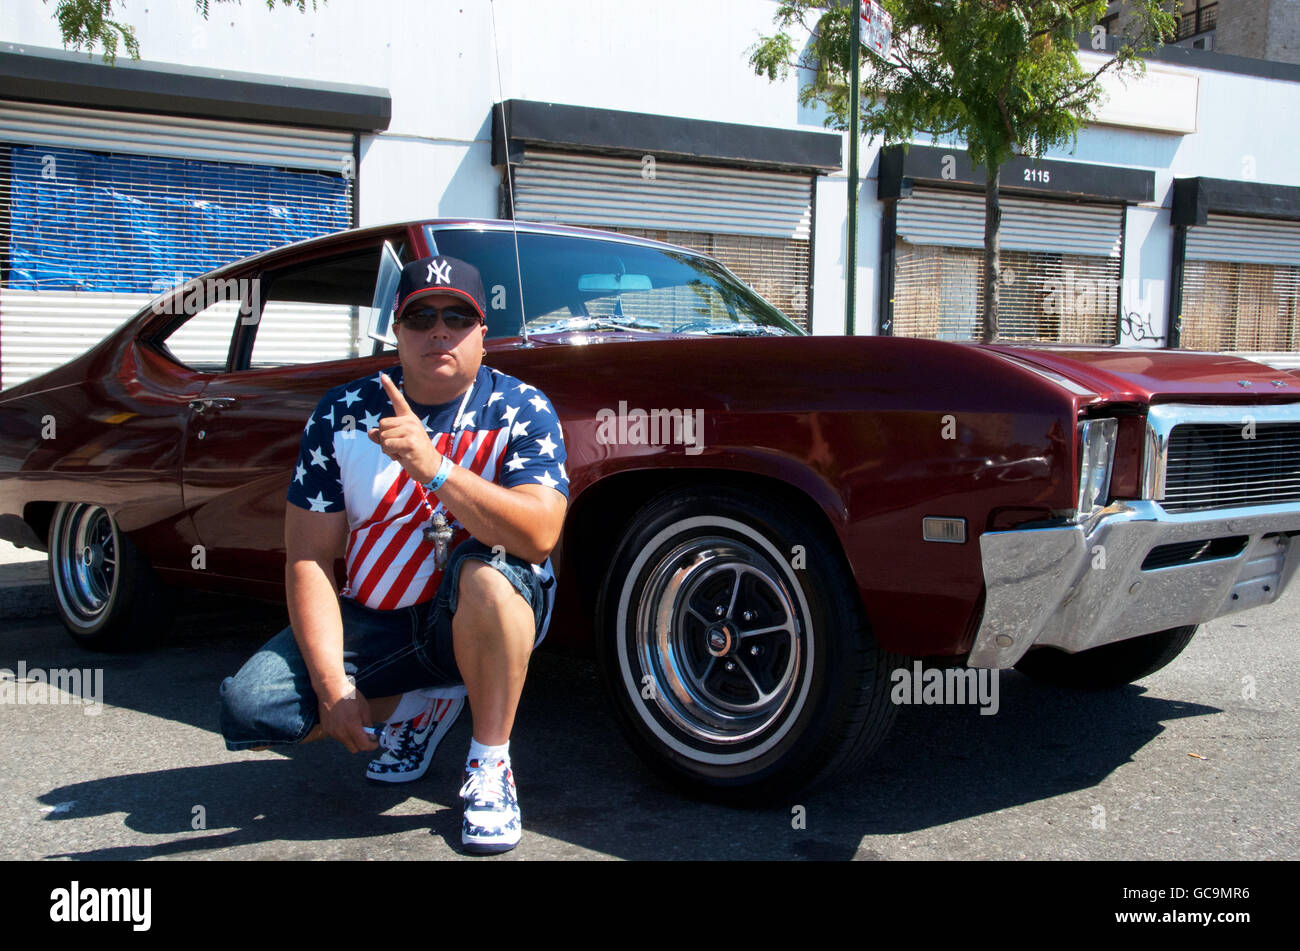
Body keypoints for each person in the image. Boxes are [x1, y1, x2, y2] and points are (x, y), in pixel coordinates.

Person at [219, 255, 568, 854]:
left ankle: (489, 763)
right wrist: (332, 688)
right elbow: (307, 557)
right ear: (396, 331)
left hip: (482, 607)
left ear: (483, 332)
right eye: (420, 315)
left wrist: (434, 467)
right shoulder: (341, 413)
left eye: (458, 316)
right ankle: (424, 702)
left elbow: (537, 535)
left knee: (487, 576)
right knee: (253, 707)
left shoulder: (520, 406)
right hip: (379, 618)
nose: (439, 330)